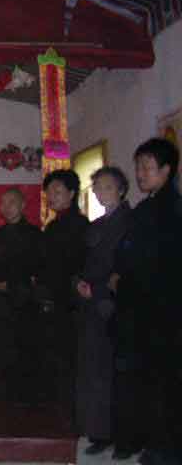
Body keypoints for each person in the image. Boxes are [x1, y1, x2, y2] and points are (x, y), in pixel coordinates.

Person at [109, 138, 181, 464]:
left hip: (162, 312)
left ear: (167, 170)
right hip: (140, 310)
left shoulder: (172, 210)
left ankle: (166, 450)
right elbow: (127, 253)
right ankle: (153, 444)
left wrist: (123, 280)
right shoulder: (146, 208)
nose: (140, 174)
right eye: (138, 167)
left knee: (165, 383)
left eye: (147, 167)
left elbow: (157, 264)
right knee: (148, 382)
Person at [74, 167, 131, 456]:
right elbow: (82, 262)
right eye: (97, 187)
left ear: (121, 189)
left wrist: (97, 290)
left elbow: (124, 269)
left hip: (115, 307)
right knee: (94, 370)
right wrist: (79, 282)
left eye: (107, 187)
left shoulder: (130, 222)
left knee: (114, 373)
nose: (100, 192)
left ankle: (121, 434)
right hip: (91, 305)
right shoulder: (96, 224)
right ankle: (99, 431)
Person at [0, 188, 44, 403]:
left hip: (21, 307)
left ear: (23, 205)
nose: (6, 207)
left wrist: (11, 285)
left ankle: (20, 406)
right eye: (3, 203)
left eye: (12, 202)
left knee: (20, 357)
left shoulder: (34, 235)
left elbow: (36, 270)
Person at [36, 169, 88, 409]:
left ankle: (70, 414)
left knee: (69, 362)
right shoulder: (52, 226)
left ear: (72, 193)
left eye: (57, 191)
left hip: (70, 304)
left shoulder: (80, 225)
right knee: (52, 360)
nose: (51, 196)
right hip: (51, 303)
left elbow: (74, 266)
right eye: (49, 192)